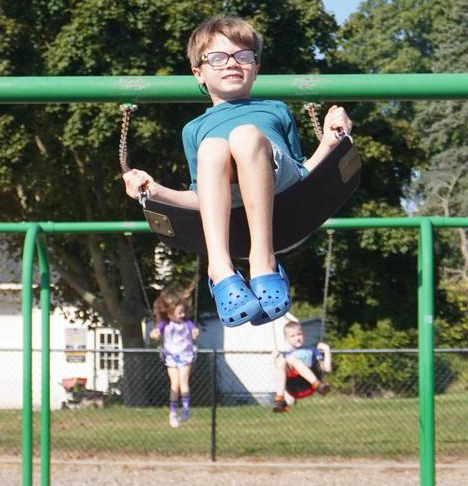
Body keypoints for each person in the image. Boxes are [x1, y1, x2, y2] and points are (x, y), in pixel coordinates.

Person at [121, 16, 353, 327]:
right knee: (213, 148)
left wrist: (330, 141)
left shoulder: (275, 109)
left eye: (244, 56)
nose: (232, 63)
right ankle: (220, 268)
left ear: (256, 68)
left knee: (245, 135)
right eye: (217, 57)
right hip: (227, 198)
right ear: (199, 74)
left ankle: (262, 260)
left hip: (280, 191)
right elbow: (201, 196)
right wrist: (153, 190)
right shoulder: (194, 130)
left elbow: (301, 174)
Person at [148, 287, 200, 428]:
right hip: (171, 357)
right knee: (174, 384)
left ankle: (185, 409)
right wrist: (154, 335)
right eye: (179, 312)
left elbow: (194, 329)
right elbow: (154, 332)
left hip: (185, 355)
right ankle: (172, 413)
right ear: (170, 314)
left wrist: (195, 333)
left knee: (183, 382)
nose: (183, 314)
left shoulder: (187, 323)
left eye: (183, 311)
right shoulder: (165, 324)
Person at [270, 321, 331, 412]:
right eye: (292, 336)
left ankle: (317, 384)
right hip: (294, 387)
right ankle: (280, 399)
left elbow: (327, 368)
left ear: (304, 335)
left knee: (290, 359)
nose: (297, 338)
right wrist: (272, 360)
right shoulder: (285, 356)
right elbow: (276, 377)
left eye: (299, 334)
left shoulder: (312, 350)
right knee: (283, 360)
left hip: (310, 385)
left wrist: (326, 349)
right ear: (286, 339)